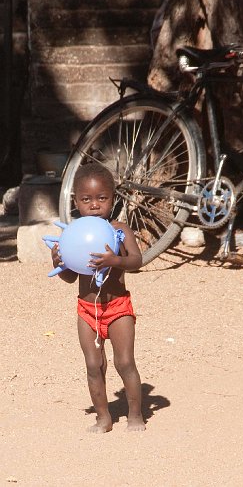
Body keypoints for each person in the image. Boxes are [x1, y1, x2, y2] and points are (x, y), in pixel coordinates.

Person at [50, 162, 145, 433]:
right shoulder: (73, 236)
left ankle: (135, 415)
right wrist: (59, 261)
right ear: (76, 201)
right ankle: (103, 417)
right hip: (87, 310)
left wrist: (115, 259)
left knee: (124, 362)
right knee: (93, 365)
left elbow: (137, 260)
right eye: (86, 199)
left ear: (112, 199)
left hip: (118, 308)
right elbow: (69, 278)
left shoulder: (119, 230)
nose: (94, 205)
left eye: (102, 198)